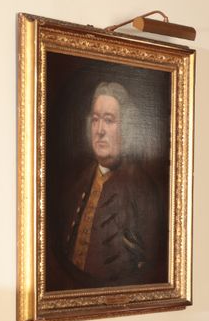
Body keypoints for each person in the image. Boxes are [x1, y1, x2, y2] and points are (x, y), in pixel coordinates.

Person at [58, 82, 165, 288]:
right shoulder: (77, 184)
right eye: (95, 120)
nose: (99, 130)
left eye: (109, 121)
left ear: (126, 127)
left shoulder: (143, 190)